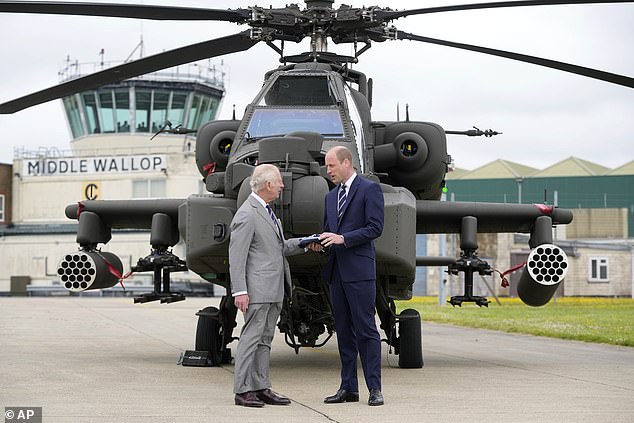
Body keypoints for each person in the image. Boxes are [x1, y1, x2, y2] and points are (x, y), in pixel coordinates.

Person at [313, 145, 385, 406]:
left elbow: (375, 227)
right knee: (343, 332)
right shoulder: (330, 197)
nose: (328, 170)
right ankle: (348, 388)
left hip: (360, 272)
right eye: (327, 165)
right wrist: (319, 242)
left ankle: (374, 388)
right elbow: (328, 231)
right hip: (336, 273)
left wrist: (344, 239)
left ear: (346, 163)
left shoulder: (369, 189)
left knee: (366, 330)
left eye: (331, 165)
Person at [229, 164, 304, 407]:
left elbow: (278, 248)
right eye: (279, 181)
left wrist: (305, 242)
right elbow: (236, 256)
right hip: (258, 291)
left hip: (273, 289)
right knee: (251, 339)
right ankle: (242, 391)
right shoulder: (247, 213)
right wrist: (239, 290)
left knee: (265, 340)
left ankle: (261, 386)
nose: (283, 185)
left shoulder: (267, 211)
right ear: (268, 184)